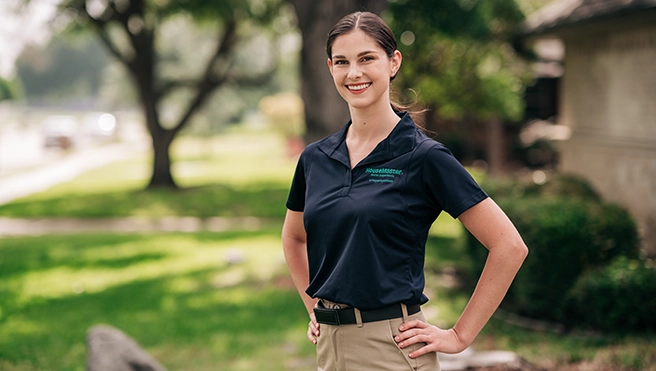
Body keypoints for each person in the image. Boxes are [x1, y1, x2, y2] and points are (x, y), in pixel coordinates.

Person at [282, 11, 528, 371]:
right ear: (330, 68)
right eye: (342, 62)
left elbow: (509, 246)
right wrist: (314, 308)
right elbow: (294, 238)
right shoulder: (315, 159)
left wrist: (460, 336)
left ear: (393, 62)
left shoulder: (424, 157)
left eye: (367, 58)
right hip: (329, 350)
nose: (354, 73)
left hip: (392, 350)